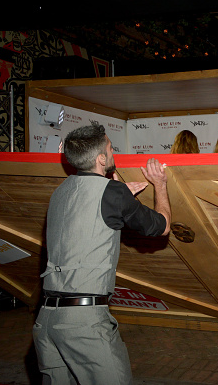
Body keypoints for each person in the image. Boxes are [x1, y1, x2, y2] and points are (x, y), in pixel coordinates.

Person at [33, 122, 171, 384]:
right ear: (100, 158)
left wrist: (121, 199)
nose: (113, 152)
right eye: (110, 147)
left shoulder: (61, 191)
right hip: (83, 324)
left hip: (47, 319)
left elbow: (86, 220)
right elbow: (162, 227)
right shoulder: (111, 193)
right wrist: (160, 185)